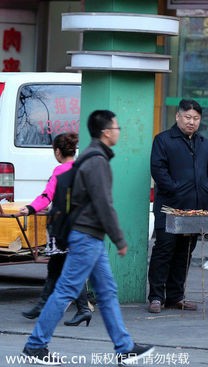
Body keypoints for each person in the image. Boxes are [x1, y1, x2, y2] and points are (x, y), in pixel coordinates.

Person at [22, 110, 154, 365]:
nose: (118, 131)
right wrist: (119, 239)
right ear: (106, 132)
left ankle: (124, 347)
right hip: (86, 237)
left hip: (87, 236)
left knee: (106, 291)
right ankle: (36, 345)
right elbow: (103, 204)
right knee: (66, 290)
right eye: (116, 127)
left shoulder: (91, 157)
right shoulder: (97, 162)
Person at [148, 99, 208, 313]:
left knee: (185, 253)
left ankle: (176, 296)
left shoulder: (203, 143)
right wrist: (176, 189)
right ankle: (156, 297)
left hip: (195, 209)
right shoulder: (163, 140)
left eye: (196, 118)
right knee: (164, 251)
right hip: (170, 209)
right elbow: (158, 170)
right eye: (187, 117)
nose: (191, 122)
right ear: (178, 117)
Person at [20, 133, 92, 327]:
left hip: (63, 230)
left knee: (61, 270)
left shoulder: (59, 171)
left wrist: (29, 208)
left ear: (58, 152)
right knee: (59, 269)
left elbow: (46, 196)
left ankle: (80, 309)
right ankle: (49, 307)